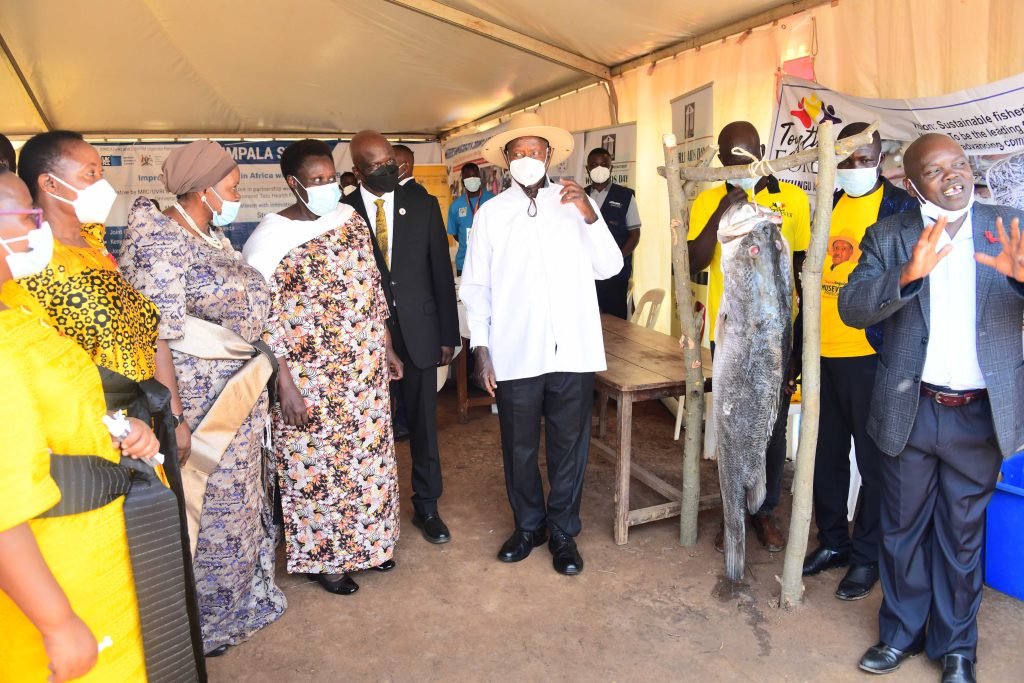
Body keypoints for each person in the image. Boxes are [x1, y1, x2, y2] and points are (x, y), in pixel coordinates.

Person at [16, 130, 206, 675]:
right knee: (123, 576)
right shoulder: (36, 264)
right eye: (90, 174)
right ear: (48, 184)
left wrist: (169, 415)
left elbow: (144, 334)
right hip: (100, 442)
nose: (103, 183)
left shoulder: (96, 243)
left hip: (145, 428)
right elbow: (54, 371)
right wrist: (119, 427)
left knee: (161, 574)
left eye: (102, 169)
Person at [840, 133, 1024, 683]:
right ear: (914, 182)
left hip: (978, 412)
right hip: (910, 406)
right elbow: (852, 307)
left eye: (960, 165)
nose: (953, 176)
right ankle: (899, 633)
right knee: (901, 528)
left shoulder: (1010, 225)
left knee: (962, 534)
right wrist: (906, 276)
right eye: (937, 170)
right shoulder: (891, 234)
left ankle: (957, 648)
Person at [119, 141, 286, 657]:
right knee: (207, 509)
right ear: (203, 190)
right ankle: (206, 623)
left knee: (237, 506)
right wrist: (175, 420)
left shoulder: (207, 235)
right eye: (232, 188)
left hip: (237, 394)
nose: (237, 196)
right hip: (199, 403)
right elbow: (156, 337)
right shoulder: (156, 241)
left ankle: (240, 604)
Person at [462, 111, 623, 576]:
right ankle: (529, 525)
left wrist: (590, 216)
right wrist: (482, 348)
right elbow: (476, 287)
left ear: (549, 156)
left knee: (570, 444)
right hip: (515, 349)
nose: (528, 159)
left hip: (571, 348)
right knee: (519, 444)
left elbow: (610, 267)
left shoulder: (575, 204)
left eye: (535, 152)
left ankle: (564, 530)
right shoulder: (492, 213)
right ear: (506, 162)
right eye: (518, 153)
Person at [243, 139, 403, 596]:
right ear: (294, 184)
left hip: (363, 371)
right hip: (309, 380)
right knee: (319, 469)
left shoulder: (349, 220)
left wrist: (386, 345)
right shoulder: (269, 238)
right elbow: (260, 320)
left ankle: (371, 546)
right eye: (316, 181)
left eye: (331, 177)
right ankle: (325, 559)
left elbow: (370, 288)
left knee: (368, 462)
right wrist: (284, 385)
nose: (327, 186)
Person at [802, 122, 919, 602]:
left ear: (879, 157)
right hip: (821, 352)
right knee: (824, 456)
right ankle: (834, 542)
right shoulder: (826, 204)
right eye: (845, 159)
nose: (853, 168)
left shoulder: (900, 209)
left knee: (873, 464)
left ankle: (866, 555)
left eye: (862, 158)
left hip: (873, 354)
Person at [687, 120, 810, 553]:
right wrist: (723, 210)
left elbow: (800, 268)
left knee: (771, 428)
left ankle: (764, 510)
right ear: (720, 159)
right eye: (729, 156)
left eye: (746, 153)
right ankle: (732, 513)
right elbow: (693, 260)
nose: (738, 162)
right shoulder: (707, 198)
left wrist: (798, 343)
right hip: (735, 334)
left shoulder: (793, 198)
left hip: (778, 333)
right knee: (732, 424)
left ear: (761, 149)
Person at [343, 130, 459, 544]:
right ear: (357, 171)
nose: (389, 168)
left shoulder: (422, 203)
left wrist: (449, 332)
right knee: (368, 429)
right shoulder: (342, 212)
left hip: (421, 332)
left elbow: (440, 271)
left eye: (390, 160)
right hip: (364, 337)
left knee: (425, 426)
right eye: (375, 165)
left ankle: (427, 506)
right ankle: (371, 511)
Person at [585, 147, 641, 319]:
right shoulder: (581, 195)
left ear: (611, 168)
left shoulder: (625, 196)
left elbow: (634, 234)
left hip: (615, 276)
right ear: (587, 169)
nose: (599, 168)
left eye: (604, 164)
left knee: (616, 325)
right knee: (587, 320)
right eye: (594, 165)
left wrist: (617, 258)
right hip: (587, 273)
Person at [447, 162, 494, 276]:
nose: (472, 180)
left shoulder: (493, 201)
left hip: (489, 262)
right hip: (464, 263)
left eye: (474, 177)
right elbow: (455, 234)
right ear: (463, 182)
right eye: (468, 178)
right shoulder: (455, 206)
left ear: (480, 178)